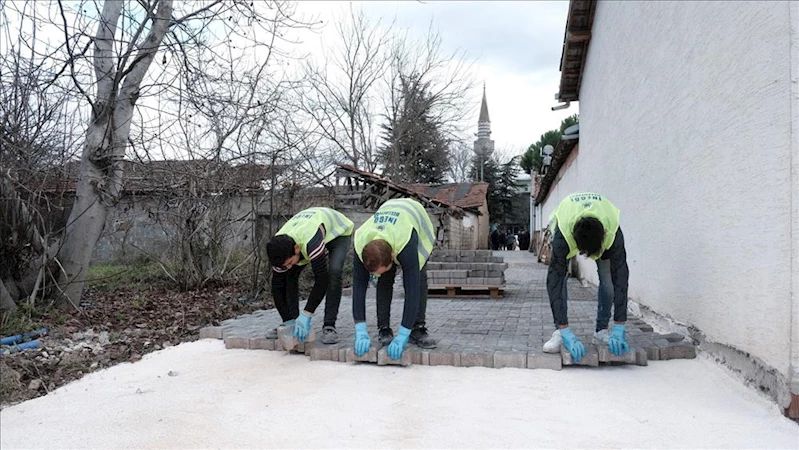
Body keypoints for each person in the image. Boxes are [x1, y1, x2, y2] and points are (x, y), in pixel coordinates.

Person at [542, 192, 631, 362]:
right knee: (560, 280)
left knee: (608, 279)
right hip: (568, 226)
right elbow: (553, 281)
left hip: (602, 229)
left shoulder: (612, 230)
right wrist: (564, 327)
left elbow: (621, 277)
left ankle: (602, 331)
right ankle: (560, 332)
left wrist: (620, 325)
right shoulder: (563, 236)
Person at [351, 198, 438, 360]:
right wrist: (360, 329)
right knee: (384, 280)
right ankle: (384, 327)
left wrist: (403, 333)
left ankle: (417, 328)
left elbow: (412, 291)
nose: (375, 277)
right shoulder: (360, 242)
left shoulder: (406, 243)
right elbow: (358, 288)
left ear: (393, 256)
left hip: (415, 219)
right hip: (388, 217)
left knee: (417, 280)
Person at [265, 207, 354, 345]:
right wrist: (287, 319)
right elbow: (277, 287)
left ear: (296, 249)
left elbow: (321, 280)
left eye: (289, 262)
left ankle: (329, 326)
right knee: (289, 276)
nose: (288, 266)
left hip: (338, 232)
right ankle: (292, 322)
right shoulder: (278, 249)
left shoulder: (310, 241)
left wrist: (307, 314)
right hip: (306, 232)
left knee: (334, 273)